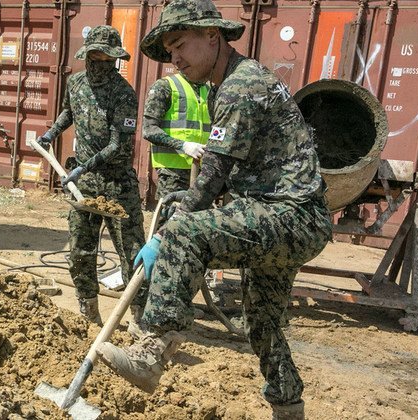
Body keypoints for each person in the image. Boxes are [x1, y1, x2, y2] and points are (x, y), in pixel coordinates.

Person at [95, 1, 332, 419]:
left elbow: (213, 176)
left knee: (186, 233)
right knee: (263, 321)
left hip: (291, 215)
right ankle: (289, 406)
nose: (175, 58)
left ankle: (152, 352)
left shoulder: (241, 85)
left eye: (180, 44)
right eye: (169, 51)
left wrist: (166, 237)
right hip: (280, 217)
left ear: (212, 36)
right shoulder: (227, 84)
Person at [36, 25, 146, 326]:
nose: (100, 66)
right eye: (94, 58)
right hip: (83, 183)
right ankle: (89, 317)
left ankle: (138, 321)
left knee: (132, 253)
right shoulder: (76, 84)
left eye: (106, 60)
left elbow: (117, 144)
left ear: (115, 60)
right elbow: (68, 112)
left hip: (116, 182)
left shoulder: (124, 94)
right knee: (81, 251)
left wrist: (85, 166)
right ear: (87, 57)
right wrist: (51, 133)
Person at [143, 73, 210, 199]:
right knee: (171, 216)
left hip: (203, 171)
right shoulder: (165, 86)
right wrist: (183, 146)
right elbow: (148, 130)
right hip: (173, 172)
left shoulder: (208, 90)